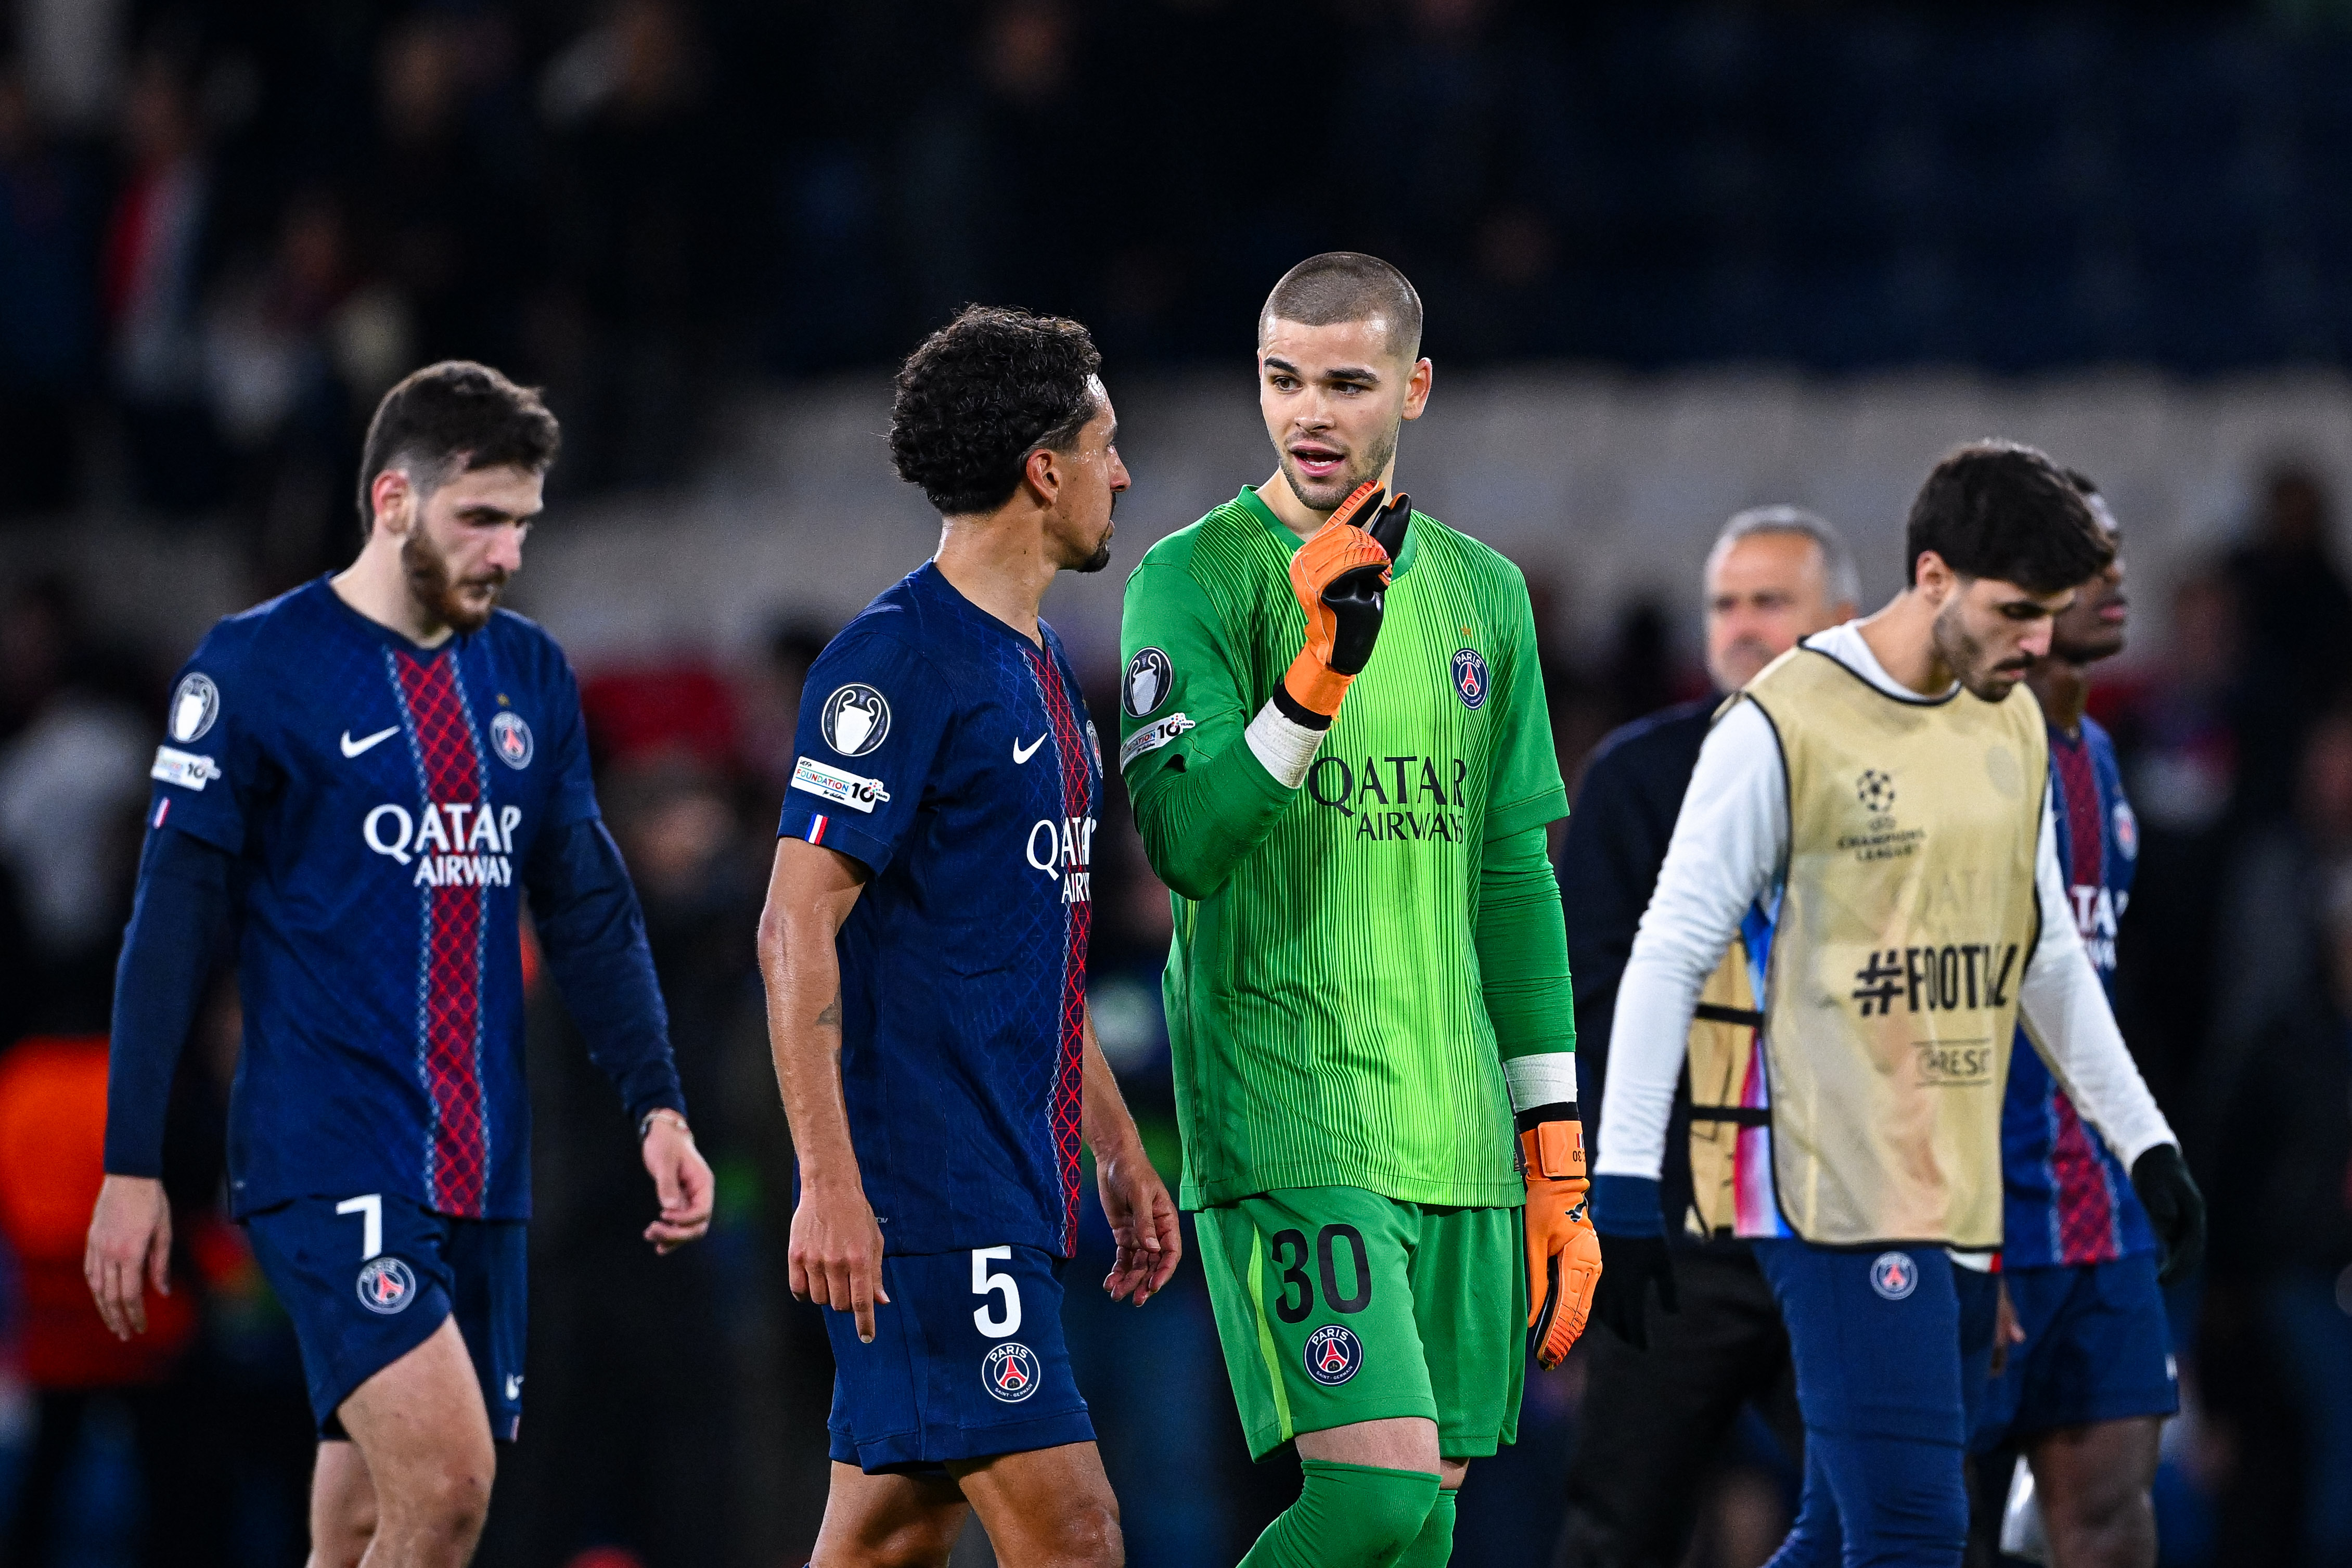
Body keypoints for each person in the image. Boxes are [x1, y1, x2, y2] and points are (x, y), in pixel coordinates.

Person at [83, 361, 714, 1568]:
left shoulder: (527, 673)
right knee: (451, 1485)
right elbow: (171, 922)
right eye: (480, 516)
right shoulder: (256, 668)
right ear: (390, 502)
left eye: (522, 523)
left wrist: (658, 1104)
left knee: (366, 1518)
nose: (507, 552)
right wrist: (132, 1160)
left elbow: (586, 905)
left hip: (478, 1166)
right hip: (327, 1150)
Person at [1590, 441, 2206, 1568]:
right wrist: (1622, 1180)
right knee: (1917, 1533)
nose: (2035, 642)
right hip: (1827, 1189)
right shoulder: (1783, 721)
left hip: (1955, 1198)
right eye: (2016, 611)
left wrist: (2143, 1143)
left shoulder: (2009, 715)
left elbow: (2046, 959)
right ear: (1930, 578)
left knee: (1839, 1533)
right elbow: (1666, 950)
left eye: (2051, 615)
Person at [1117, 251, 1593, 1568]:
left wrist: (1551, 1149)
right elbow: (1189, 843)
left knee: (1422, 1530)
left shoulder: (1482, 594)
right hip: (1287, 1104)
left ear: (1414, 387)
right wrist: (1314, 676)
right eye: (1280, 381)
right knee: (1373, 1503)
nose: (1307, 414)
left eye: (1343, 382)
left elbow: (1511, 878)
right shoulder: (1192, 578)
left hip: (1451, 1119)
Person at [760, 305, 1181, 1568]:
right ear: (1042, 470)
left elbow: (1026, 955)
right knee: (1077, 1531)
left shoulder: (1043, 666)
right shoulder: (895, 663)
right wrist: (829, 1182)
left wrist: (1111, 1143)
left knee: (887, 1536)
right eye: (1105, 446)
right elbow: (794, 926)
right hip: (926, 1194)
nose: (1122, 473)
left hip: (1012, 1177)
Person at [1556, 506, 1859, 1568]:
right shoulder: (1637, 777)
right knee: (1619, 1526)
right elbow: (1582, 1006)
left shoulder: (1905, 783)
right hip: (1677, 1231)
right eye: (1723, 604)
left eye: (1768, 603)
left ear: (1840, 622)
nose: (1738, 627)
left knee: (1909, 1515)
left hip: (1850, 1232)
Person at [1972, 474, 2176, 1567]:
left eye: (2113, 548)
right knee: (1928, 1532)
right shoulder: (1951, 760)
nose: (2115, 575)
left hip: (2099, 1219)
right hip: (1976, 1214)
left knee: (2107, 1524)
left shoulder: (2098, 759)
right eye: (2080, 554)